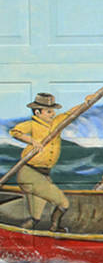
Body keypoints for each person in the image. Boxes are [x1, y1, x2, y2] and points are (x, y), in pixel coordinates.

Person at [7, 93, 78, 232]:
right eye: (49, 111)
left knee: (35, 218)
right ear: (38, 112)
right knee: (63, 203)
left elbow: (71, 112)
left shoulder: (56, 122)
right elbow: (14, 131)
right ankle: (54, 228)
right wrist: (33, 141)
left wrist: (88, 101)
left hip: (44, 176)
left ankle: (20, 237)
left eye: (53, 111)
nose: (53, 114)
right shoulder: (32, 125)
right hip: (29, 173)